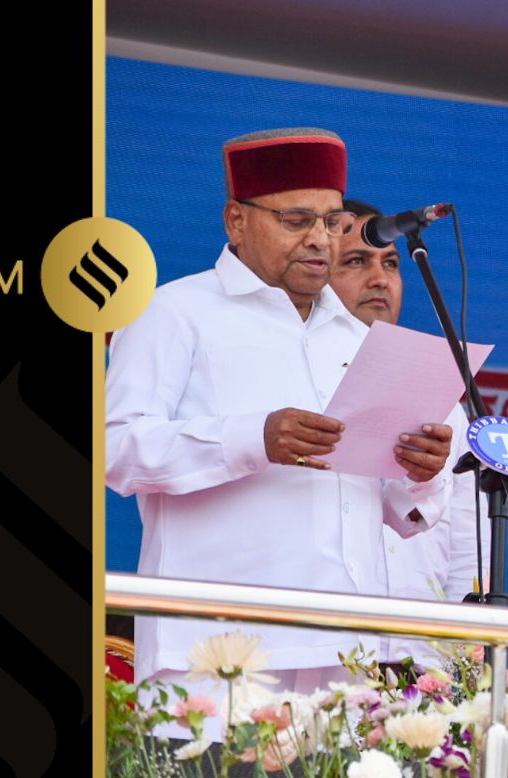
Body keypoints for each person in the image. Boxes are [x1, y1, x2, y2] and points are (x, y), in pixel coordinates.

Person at [106, 128, 456, 713]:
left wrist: (422, 472)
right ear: (236, 222)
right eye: (297, 221)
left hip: (348, 661)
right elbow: (115, 449)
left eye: (333, 222)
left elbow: (396, 512)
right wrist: (253, 438)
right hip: (218, 659)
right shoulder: (174, 312)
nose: (320, 240)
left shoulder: (357, 335)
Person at [331, 199, 490, 664]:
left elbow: (466, 548)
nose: (380, 279)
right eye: (357, 261)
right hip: (331, 658)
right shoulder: (297, 382)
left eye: (392, 264)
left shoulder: (442, 394)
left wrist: (466, 663)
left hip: (423, 667)